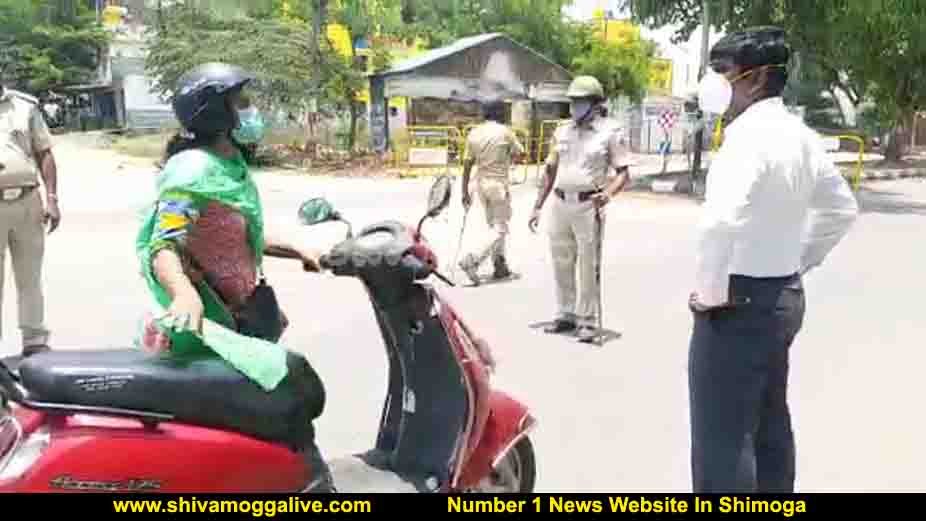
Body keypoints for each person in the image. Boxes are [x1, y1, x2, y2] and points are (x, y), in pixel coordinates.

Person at [134, 62, 334, 490]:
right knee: (293, 397)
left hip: (241, 319)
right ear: (217, 113)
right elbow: (163, 246)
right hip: (206, 327)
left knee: (263, 426)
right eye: (240, 102)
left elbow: (235, 236)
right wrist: (184, 295)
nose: (250, 110)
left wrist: (298, 247)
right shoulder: (192, 171)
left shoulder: (229, 165)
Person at [687, 27, 858, 493]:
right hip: (781, 296)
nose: (716, 82)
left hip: (737, 302)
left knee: (723, 438)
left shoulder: (747, 137)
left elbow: (719, 224)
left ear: (757, 79)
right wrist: (799, 263)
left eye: (723, 71)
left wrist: (708, 294)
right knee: (768, 425)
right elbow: (842, 209)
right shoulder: (800, 136)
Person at [528, 76, 632, 343]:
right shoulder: (562, 131)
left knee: (588, 264)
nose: (574, 106)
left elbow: (623, 174)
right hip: (560, 203)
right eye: (572, 101)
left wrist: (607, 195)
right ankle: (566, 314)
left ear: (595, 104)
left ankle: (587, 320)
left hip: (589, 205)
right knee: (561, 261)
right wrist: (538, 206)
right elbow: (550, 169)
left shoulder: (610, 131)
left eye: (580, 101)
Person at [0, 82, 60, 357]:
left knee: (30, 276)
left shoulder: (25, 107)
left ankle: (34, 340)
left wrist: (52, 199)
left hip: (28, 201)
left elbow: (44, 152)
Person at [458, 99, 525, 284]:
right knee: (500, 229)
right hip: (498, 184)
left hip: (479, 185)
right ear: (500, 113)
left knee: (492, 226)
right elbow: (520, 153)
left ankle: (499, 265)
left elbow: (467, 163)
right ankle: (473, 259)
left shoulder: (474, 133)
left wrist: (464, 191)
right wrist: (509, 158)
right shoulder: (505, 132)